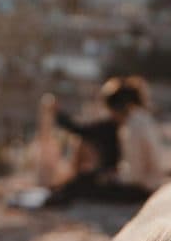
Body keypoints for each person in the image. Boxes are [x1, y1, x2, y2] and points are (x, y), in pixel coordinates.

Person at [34, 77, 164, 207]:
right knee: (86, 180)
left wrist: (113, 176)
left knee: (82, 184)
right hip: (144, 185)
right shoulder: (143, 119)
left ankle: (47, 201)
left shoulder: (132, 127)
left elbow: (135, 175)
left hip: (139, 190)